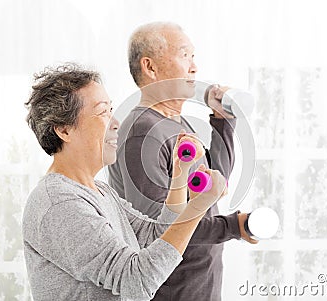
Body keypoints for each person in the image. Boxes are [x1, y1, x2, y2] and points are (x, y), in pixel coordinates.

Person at [22, 63, 228, 301]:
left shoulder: (99, 191)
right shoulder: (59, 203)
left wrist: (179, 177)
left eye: (111, 109)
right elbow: (136, 281)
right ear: (64, 130)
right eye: (102, 112)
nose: (116, 122)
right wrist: (199, 206)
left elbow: (156, 236)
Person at [108, 22, 257, 301]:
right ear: (150, 68)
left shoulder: (175, 124)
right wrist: (234, 226)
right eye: (184, 55)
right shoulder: (142, 133)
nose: (194, 67)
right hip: (172, 291)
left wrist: (223, 122)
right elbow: (158, 231)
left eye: (193, 56)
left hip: (201, 284)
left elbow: (215, 182)